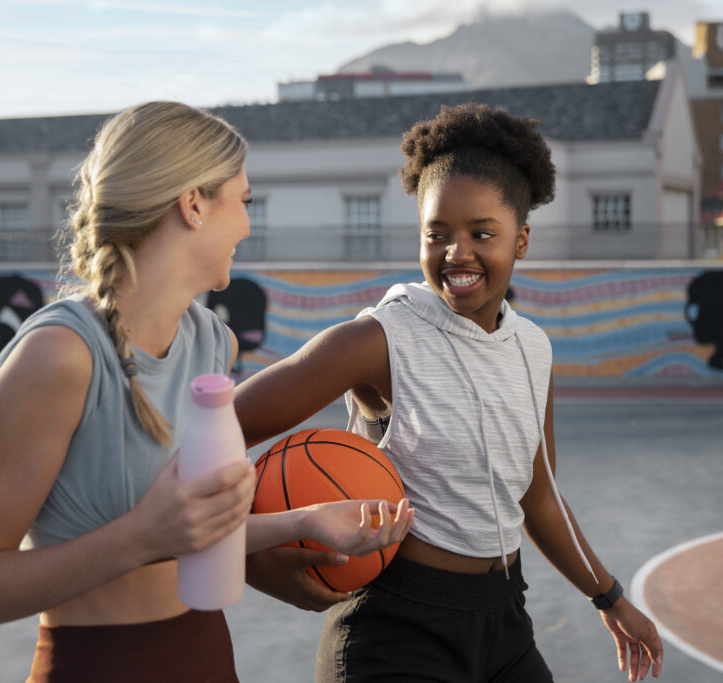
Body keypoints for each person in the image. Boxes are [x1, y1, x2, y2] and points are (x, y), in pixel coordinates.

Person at [0, 101, 413, 683]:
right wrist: (139, 538)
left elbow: (190, 533)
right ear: (193, 205)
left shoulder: (212, 344)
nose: (247, 225)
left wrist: (304, 521)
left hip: (206, 657)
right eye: (243, 201)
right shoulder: (59, 356)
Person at [236, 103, 663, 682]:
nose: (457, 252)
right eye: (437, 234)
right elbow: (222, 426)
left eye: (482, 233)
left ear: (521, 240)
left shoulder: (533, 349)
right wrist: (255, 560)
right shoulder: (378, 339)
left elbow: (538, 497)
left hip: (504, 620)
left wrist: (609, 597)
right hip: (396, 629)